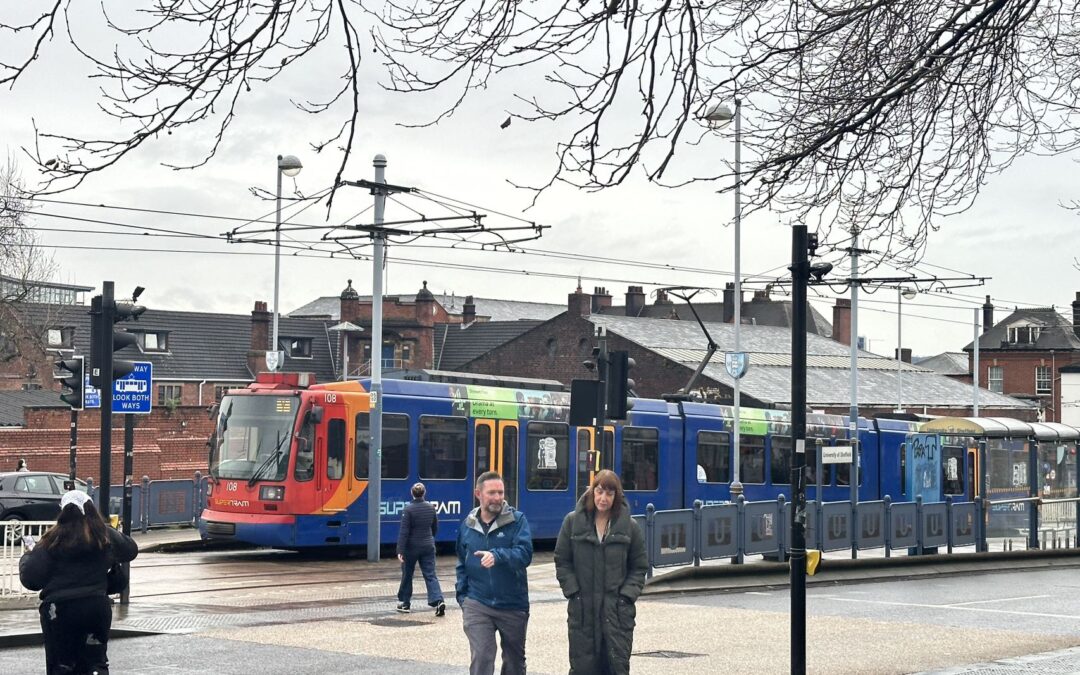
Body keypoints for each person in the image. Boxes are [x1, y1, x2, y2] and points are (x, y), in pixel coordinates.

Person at [19, 490, 138, 675]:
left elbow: (31, 579)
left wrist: (28, 554)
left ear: (63, 512)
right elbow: (130, 549)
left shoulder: (52, 540)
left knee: (62, 665)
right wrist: (105, 528)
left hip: (60, 611)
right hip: (96, 607)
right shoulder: (101, 536)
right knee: (96, 662)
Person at [554, 470, 648, 675]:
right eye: (599, 491)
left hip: (617, 613)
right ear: (592, 492)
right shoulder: (572, 522)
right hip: (583, 612)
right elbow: (562, 560)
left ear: (617, 497)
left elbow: (639, 567)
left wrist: (626, 597)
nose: (603, 498)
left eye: (609, 493)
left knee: (616, 666)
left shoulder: (629, 527)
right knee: (583, 668)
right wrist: (574, 593)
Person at [456, 471, 533, 675]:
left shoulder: (517, 521)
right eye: (492, 493)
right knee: (482, 656)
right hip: (477, 603)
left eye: (501, 492)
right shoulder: (467, 525)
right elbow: (461, 562)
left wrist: (498, 556)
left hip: (512, 605)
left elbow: (524, 554)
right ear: (478, 494)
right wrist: (463, 597)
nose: (498, 497)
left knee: (514, 663)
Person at [396, 482, 445, 616]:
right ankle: (438, 600)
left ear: (412, 493)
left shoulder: (408, 509)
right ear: (424, 493)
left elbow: (404, 532)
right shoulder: (431, 508)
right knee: (430, 574)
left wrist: (400, 550)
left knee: (407, 575)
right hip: (428, 546)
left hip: (411, 548)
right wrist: (430, 538)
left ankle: (405, 604)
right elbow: (435, 527)